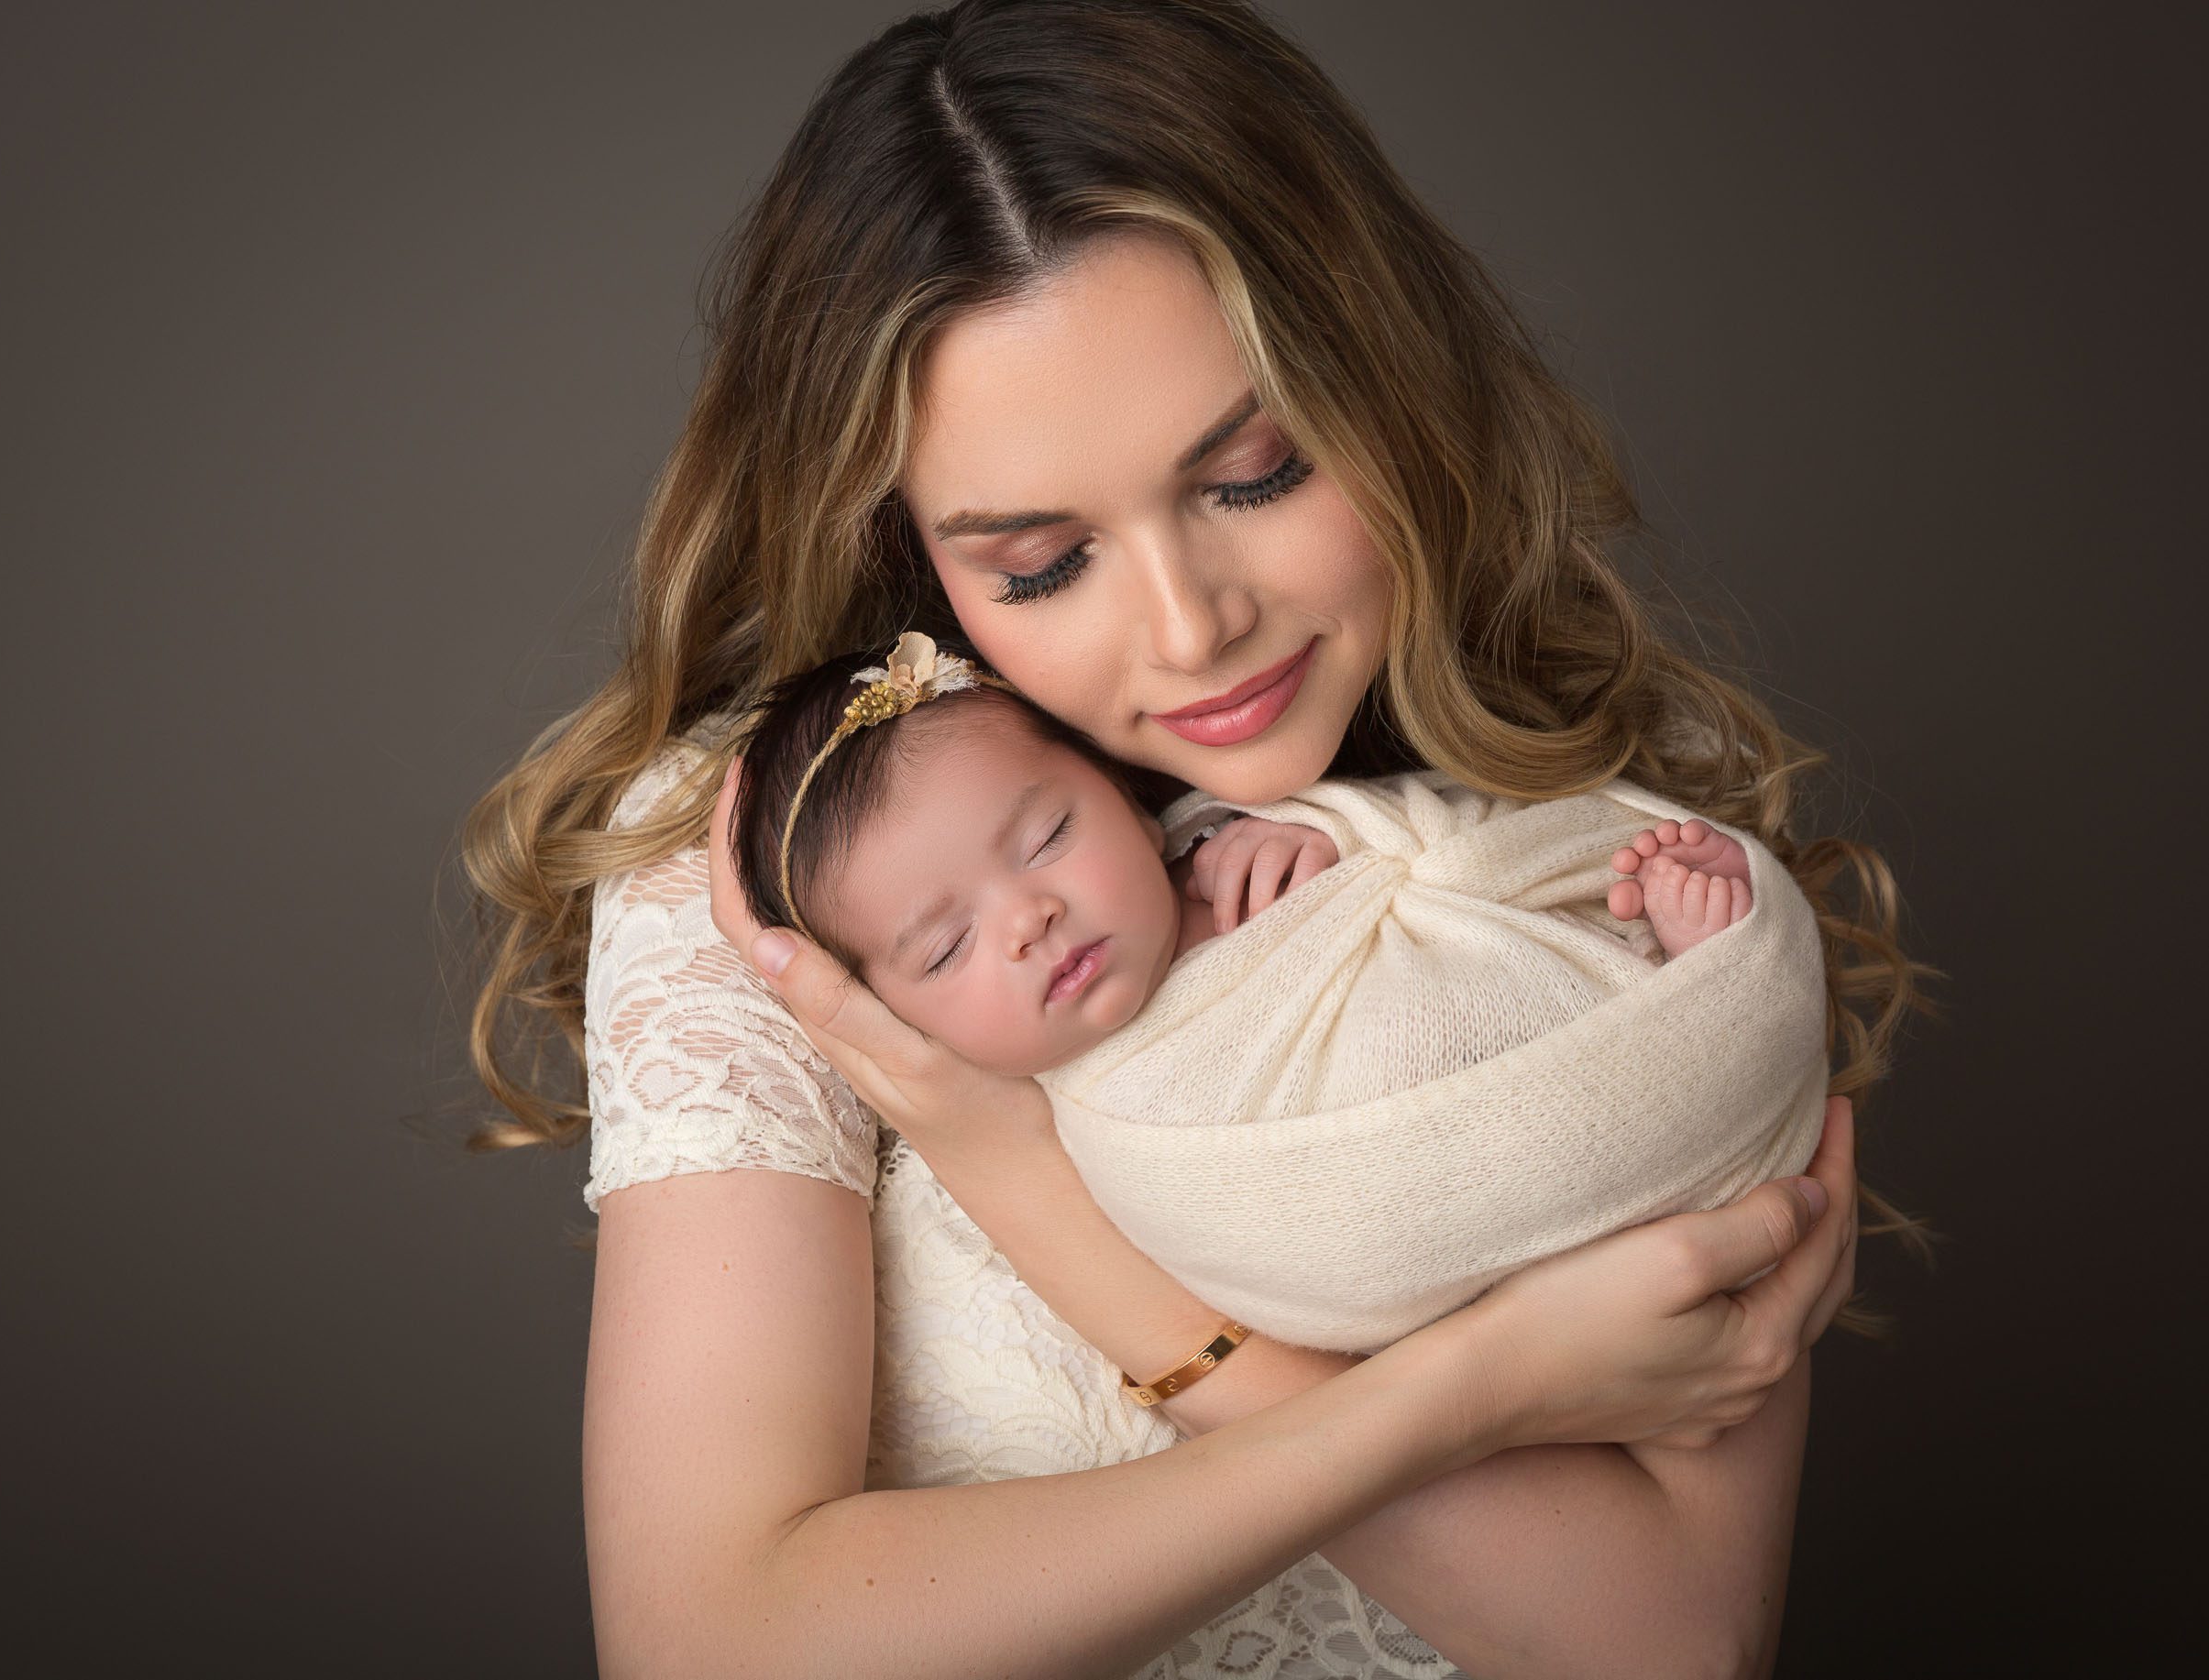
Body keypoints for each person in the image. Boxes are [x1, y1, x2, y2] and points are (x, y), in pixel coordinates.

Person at [461, 3, 1921, 1673]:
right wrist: (1482, 1382)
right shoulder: (792, 895)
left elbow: (1661, 1642)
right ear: (917, 557)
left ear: (1387, 391)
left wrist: (1047, 1187)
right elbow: (712, 1646)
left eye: (1254, 473)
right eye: (1038, 563)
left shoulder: (1615, 817)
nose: (1191, 627)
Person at [722, 631, 1814, 1360]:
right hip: (1420, 1205)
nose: (1028, 919)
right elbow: (1276, 1248)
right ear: (897, 1021)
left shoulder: (1231, 835)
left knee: (1532, 894)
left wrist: (1328, 830)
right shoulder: (1102, 1122)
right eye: (947, 945)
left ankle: (1673, 964)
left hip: (1554, 1034)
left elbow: (1431, 831)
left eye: (1049, 836)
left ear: (1119, 790)